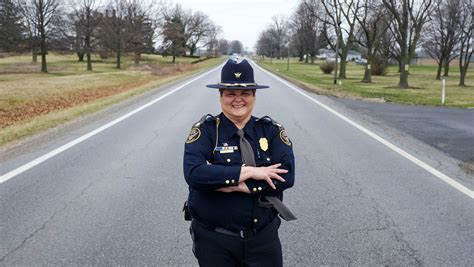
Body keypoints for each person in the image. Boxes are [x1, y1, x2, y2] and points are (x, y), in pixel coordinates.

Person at [183, 59, 295, 266]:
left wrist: (238, 184)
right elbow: (195, 174)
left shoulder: (271, 131)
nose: (238, 99)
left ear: (254, 96)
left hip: (263, 239)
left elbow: (286, 176)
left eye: (244, 93)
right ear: (221, 96)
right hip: (214, 241)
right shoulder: (205, 132)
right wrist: (251, 172)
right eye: (230, 93)